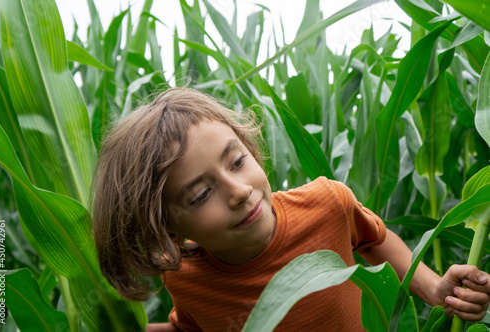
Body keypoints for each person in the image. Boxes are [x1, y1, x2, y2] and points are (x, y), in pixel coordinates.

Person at [92, 87, 490, 332]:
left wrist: (433, 288)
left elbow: (374, 239)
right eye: (199, 196)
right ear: (169, 229)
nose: (239, 191)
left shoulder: (326, 205)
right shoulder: (185, 280)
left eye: (236, 162)